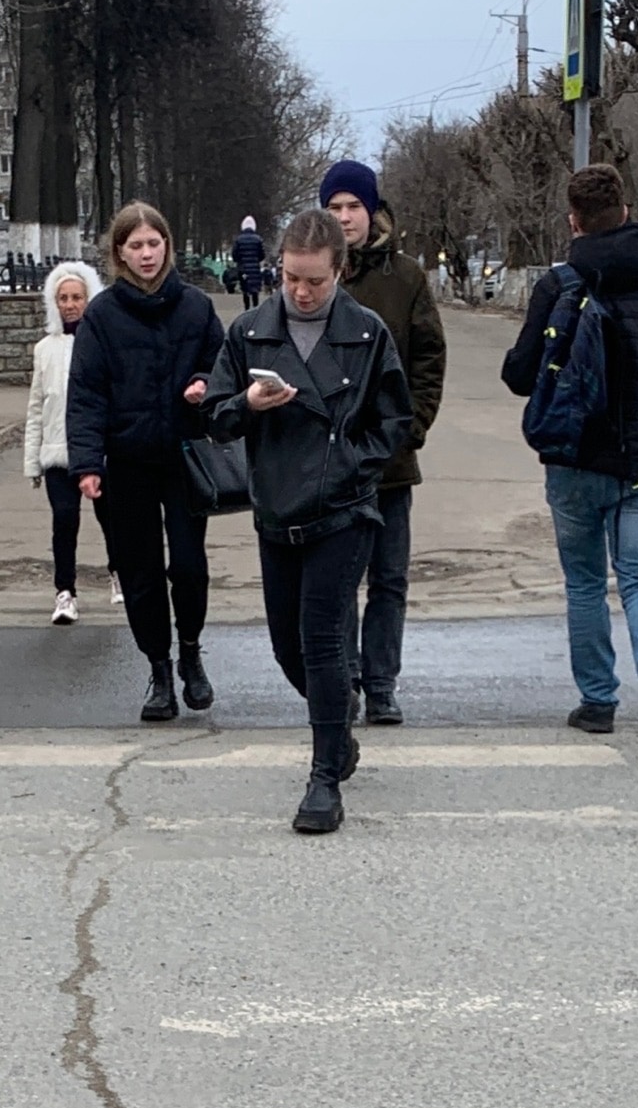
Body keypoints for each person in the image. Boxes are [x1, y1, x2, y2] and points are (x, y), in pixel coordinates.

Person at [202, 207, 413, 833]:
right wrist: (247, 402)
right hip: (276, 511)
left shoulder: (367, 332)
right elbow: (215, 417)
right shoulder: (249, 332)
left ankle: (324, 777)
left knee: (323, 642)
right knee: (286, 647)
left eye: (315, 281)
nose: (300, 291)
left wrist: (352, 462)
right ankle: (337, 725)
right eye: (291, 277)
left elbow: (395, 423)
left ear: (339, 273)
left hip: (342, 510)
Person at [501, 162, 638, 762]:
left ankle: (598, 701)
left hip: (572, 460)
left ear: (574, 221)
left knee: (585, 583)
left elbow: (520, 375)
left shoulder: (560, 285)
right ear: (625, 210)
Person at [67, 200, 226, 722]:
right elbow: (86, 393)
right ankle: (159, 670)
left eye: (154, 243)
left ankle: (192, 654)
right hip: (127, 462)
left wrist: (207, 384)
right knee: (140, 571)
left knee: (187, 564)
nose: (147, 254)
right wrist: (87, 463)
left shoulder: (196, 308)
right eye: (135, 245)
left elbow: (223, 365)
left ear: (167, 245)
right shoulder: (102, 315)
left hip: (184, 457)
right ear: (119, 253)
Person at [318, 157, 446, 725]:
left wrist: (412, 425)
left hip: (391, 460)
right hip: (332, 461)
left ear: (373, 212)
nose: (345, 218)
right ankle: (343, 677)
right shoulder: (312, 274)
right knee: (339, 579)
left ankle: (382, 682)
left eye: (354, 207)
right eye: (335, 208)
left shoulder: (407, 277)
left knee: (389, 578)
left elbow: (428, 358)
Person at [24, 259, 102, 625]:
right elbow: (37, 406)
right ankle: (65, 591)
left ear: (90, 298)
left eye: (77, 297)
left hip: (100, 451)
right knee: (65, 519)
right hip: (57, 451)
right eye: (63, 298)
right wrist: (32, 462)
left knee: (112, 519)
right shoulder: (45, 349)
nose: (70, 305)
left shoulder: (102, 342)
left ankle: (119, 572)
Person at [232, 213, 267, 309]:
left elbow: (235, 255)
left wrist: (240, 261)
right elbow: (262, 255)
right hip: (255, 268)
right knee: (255, 289)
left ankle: (246, 308)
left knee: (245, 289)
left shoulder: (238, 240)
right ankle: (255, 308)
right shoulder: (258, 239)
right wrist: (256, 260)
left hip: (243, 268)